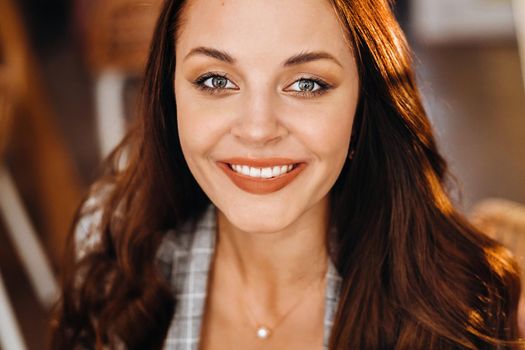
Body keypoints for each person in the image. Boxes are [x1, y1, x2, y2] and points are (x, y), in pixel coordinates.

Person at [50, 0, 524, 349]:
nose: (258, 130)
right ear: (169, 96)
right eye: (216, 80)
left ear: (363, 108)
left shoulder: (472, 315)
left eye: (306, 84)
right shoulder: (114, 254)